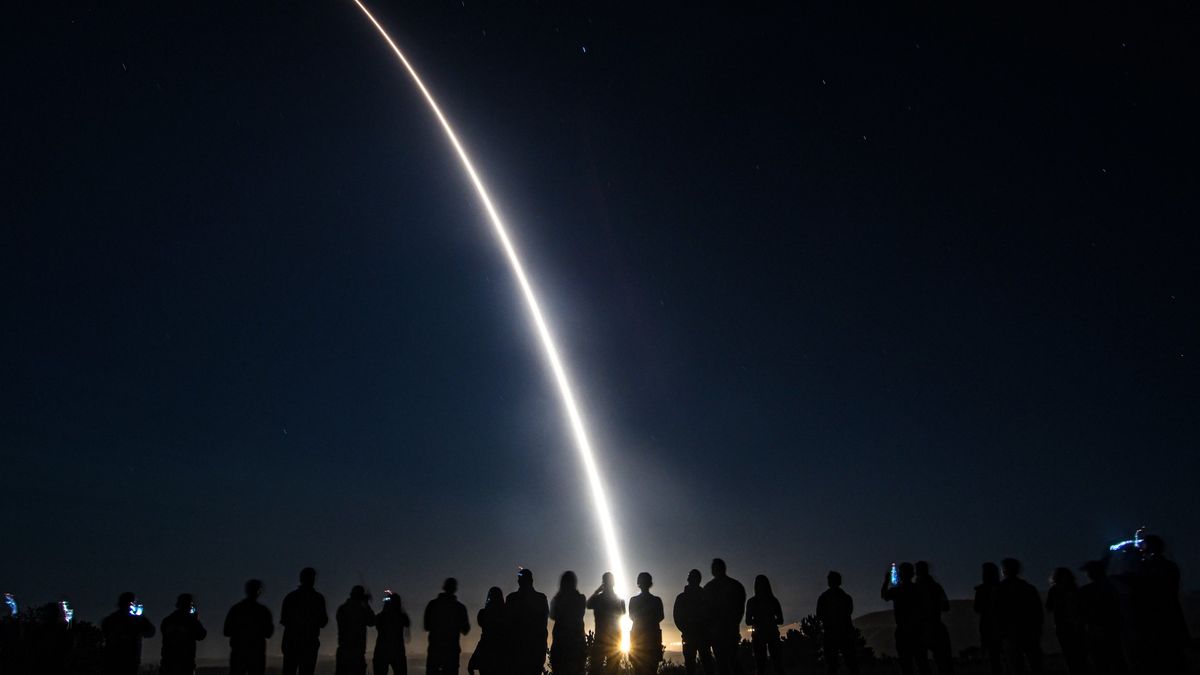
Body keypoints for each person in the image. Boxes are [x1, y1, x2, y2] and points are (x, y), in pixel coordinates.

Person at [1135, 535, 1189, 674]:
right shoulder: (1169, 565)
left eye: (1144, 545)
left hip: (1158, 618)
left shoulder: (1149, 568)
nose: (1140, 548)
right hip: (1169, 615)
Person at [1078, 561, 1126, 675]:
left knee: (1101, 662)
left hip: (1096, 630)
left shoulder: (1086, 590)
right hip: (1113, 628)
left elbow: (1081, 611)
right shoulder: (1113, 588)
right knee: (1117, 659)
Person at [996, 558, 1043, 675]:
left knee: (1015, 666)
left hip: (1010, 633)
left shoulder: (999, 589)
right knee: (1035, 663)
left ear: (1003, 571)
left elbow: (996, 612)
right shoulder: (1028, 588)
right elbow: (1038, 611)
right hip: (1029, 631)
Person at [881, 562, 929, 675]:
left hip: (903, 631)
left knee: (906, 665)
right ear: (912, 574)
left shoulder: (898, 590)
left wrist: (886, 580)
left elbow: (884, 595)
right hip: (918, 630)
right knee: (922, 663)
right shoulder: (919, 589)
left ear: (900, 575)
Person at [281, 567, 328, 675]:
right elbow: (323, 622)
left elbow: (284, 621)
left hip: (292, 643)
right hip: (308, 645)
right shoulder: (317, 598)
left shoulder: (291, 597)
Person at [704, 559, 746, 675]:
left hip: (723, 632)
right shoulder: (736, 586)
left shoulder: (709, 588)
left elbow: (739, 610)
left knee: (727, 663)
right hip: (722, 632)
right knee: (727, 662)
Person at [225, 579, 275, 675]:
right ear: (259, 591)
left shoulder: (236, 609)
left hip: (238, 653)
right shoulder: (263, 611)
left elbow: (226, 631)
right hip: (257, 654)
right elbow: (268, 633)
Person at [913, 561, 953, 675]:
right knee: (943, 662)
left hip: (922, 628)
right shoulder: (936, 587)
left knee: (922, 663)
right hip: (935, 626)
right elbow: (946, 606)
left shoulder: (916, 588)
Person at [507, 569, 550, 675]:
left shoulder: (511, 599)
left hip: (518, 653)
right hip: (531, 652)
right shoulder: (541, 599)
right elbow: (543, 627)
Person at [101, 592, 155, 675]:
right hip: (128, 659)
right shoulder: (136, 620)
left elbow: (150, 632)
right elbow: (150, 632)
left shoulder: (111, 619)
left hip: (113, 659)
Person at [816, 571, 859, 675]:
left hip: (833, 634)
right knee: (849, 664)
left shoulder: (824, 598)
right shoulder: (846, 598)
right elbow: (848, 612)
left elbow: (819, 615)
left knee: (833, 665)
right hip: (843, 634)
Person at [1045, 568, 1087, 675]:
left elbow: (1049, 607)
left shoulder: (1054, 590)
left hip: (1063, 626)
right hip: (1076, 625)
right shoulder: (1075, 589)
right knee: (1079, 654)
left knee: (1070, 654)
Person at [673, 570, 715, 675]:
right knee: (702, 665)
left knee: (696, 665)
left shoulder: (684, 598)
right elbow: (677, 618)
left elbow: (677, 618)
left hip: (697, 636)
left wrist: (686, 629)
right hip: (696, 636)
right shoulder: (704, 597)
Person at [424, 578, 470, 675]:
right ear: (455, 589)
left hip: (435, 650)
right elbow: (465, 630)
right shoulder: (459, 608)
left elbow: (426, 626)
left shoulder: (432, 605)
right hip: (451, 652)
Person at [587, 572, 626, 675]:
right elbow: (623, 612)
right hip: (615, 640)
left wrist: (597, 591)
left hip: (600, 639)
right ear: (613, 583)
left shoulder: (598, 599)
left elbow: (588, 604)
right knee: (613, 670)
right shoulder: (620, 601)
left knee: (595, 670)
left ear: (603, 583)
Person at [160, 593, 208, 675]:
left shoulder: (167, 620)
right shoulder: (191, 621)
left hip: (168, 661)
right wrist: (196, 620)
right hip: (185, 662)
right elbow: (201, 635)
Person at [744, 575, 783, 675]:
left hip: (765, 634)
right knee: (769, 664)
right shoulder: (772, 601)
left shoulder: (753, 602)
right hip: (765, 634)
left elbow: (748, 621)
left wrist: (761, 621)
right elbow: (780, 620)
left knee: (765, 665)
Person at [550, 572, 586, 675]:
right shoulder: (581, 598)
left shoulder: (558, 599)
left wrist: (560, 594)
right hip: (577, 646)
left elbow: (552, 615)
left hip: (560, 646)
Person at [336, 586, 377, 675]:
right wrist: (366, 605)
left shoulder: (342, 609)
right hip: (356, 653)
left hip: (344, 651)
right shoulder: (360, 610)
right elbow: (372, 621)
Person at [629, 572, 665, 675]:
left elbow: (632, 616)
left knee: (639, 670)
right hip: (651, 639)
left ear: (638, 583)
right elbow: (660, 616)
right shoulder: (656, 600)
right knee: (651, 670)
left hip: (639, 640)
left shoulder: (634, 600)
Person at [973, 563, 1003, 675]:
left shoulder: (981, 590)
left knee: (994, 657)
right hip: (1001, 627)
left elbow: (977, 608)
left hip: (989, 627)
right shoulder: (1002, 588)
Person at [467, 587, 506, 675]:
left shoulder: (484, 613)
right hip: (502, 656)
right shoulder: (506, 613)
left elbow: (484, 640)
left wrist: (473, 661)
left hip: (486, 655)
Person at [374, 590, 411, 675]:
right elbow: (407, 622)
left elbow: (374, 622)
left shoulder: (381, 616)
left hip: (382, 651)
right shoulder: (400, 616)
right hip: (397, 652)